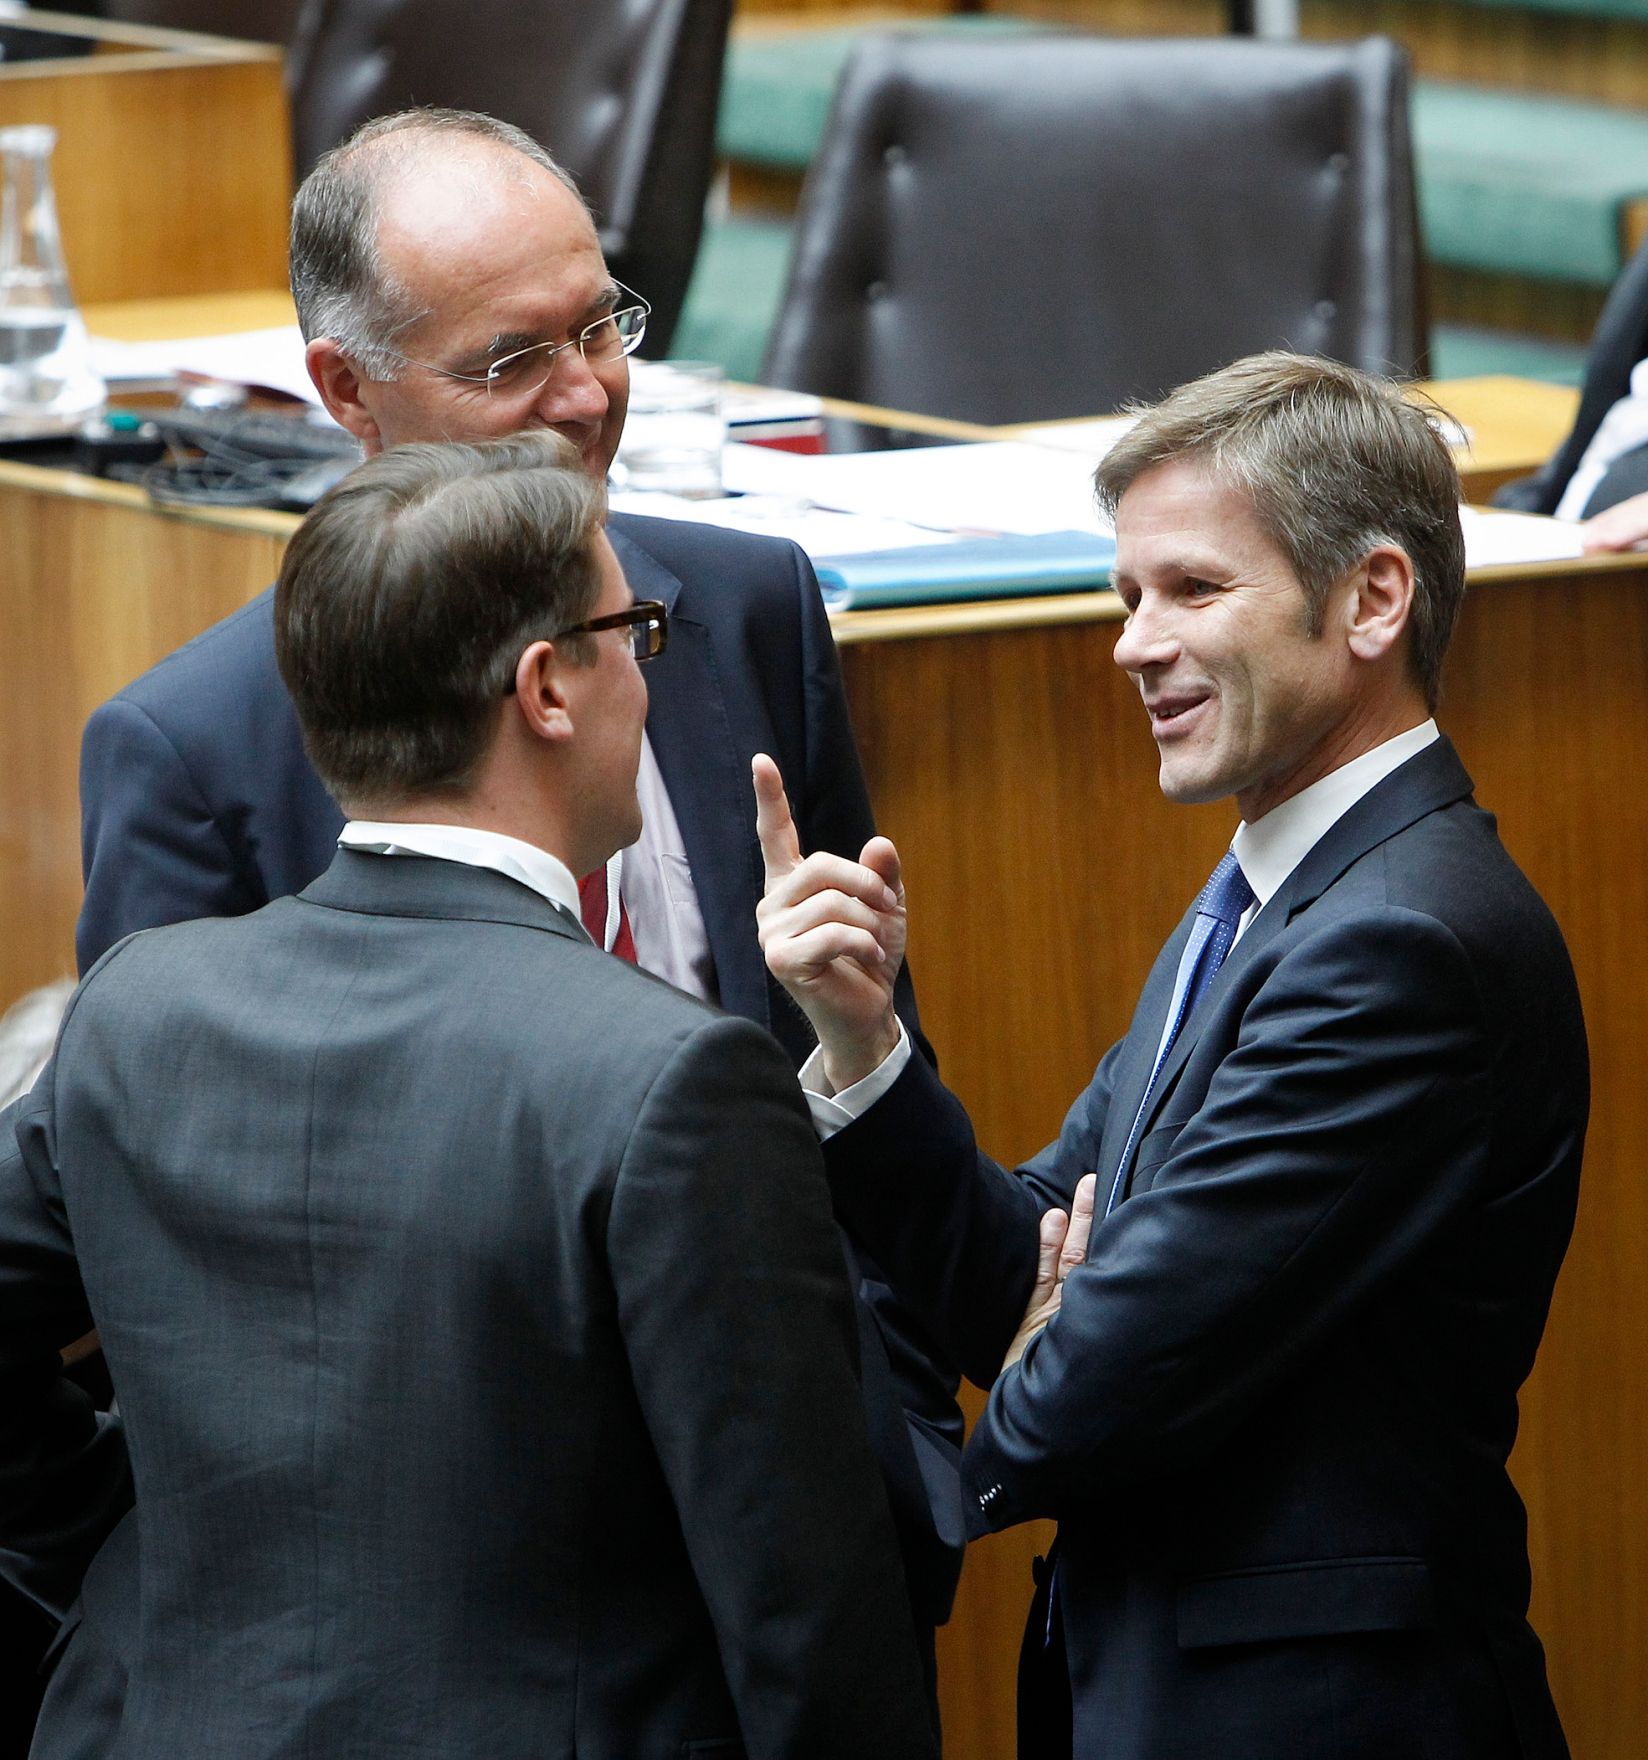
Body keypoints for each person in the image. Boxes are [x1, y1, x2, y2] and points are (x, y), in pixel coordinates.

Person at [73, 107, 962, 1689]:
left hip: (773, 1567)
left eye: (602, 325)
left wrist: (888, 1448)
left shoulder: (746, 613)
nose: (584, 395)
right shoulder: (197, 748)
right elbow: (148, 1240)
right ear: (344, 391)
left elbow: (863, 1071)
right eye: (507, 362)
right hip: (431, 1631)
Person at [1, 433, 937, 1760]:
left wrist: (136, 1547)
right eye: (635, 634)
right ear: (549, 686)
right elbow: (807, 1621)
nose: (648, 682)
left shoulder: (138, 1013)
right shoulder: (677, 1081)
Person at [755, 353, 1588, 1760]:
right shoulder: (1272, 902)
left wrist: (1063, 1336)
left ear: (1374, 598)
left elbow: (1080, 1393)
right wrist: (864, 1042)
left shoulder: (1400, 946)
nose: (1133, 644)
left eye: (1193, 591)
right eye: (1127, 596)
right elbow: (1031, 1272)